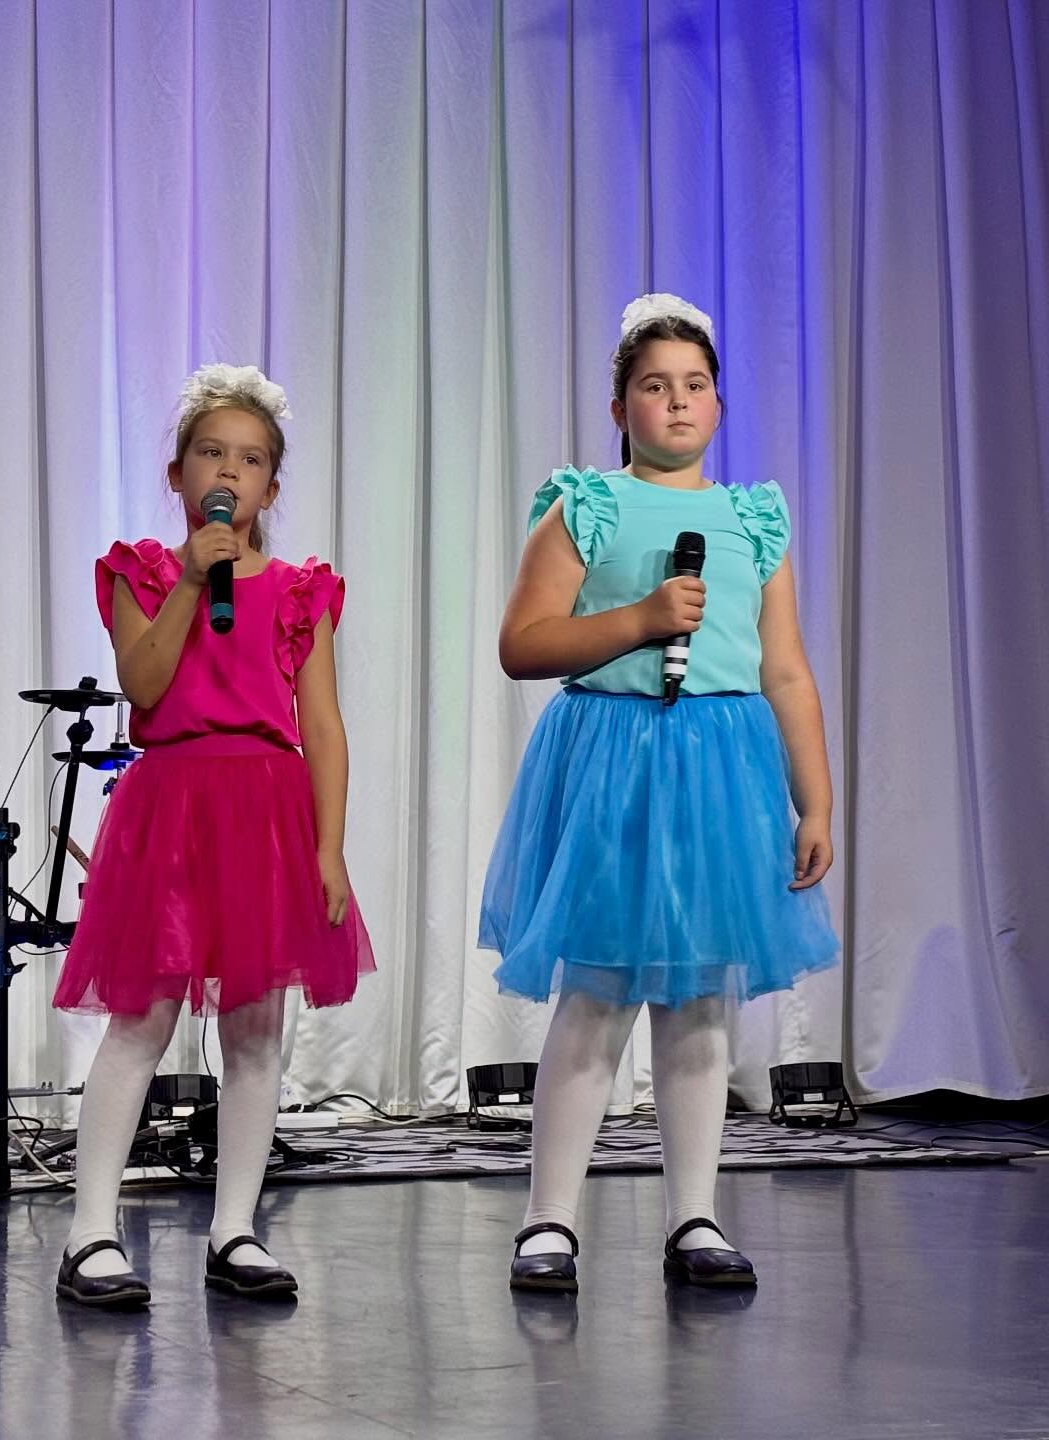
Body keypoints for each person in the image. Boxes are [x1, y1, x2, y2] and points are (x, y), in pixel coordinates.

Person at [480, 294, 839, 1291]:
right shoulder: (586, 505)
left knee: (698, 1003)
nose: (677, 401)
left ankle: (695, 1217)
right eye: (654, 386)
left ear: (718, 403)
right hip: (615, 760)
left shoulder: (751, 518)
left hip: (720, 771)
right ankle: (549, 1220)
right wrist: (640, 619)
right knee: (597, 995)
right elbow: (524, 643)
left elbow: (786, 670)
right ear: (620, 406)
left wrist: (814, 800)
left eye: (694, 385)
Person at [53, 363, 375, 1308]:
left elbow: (323, 725)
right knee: (142, 1018)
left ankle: (235, 1228)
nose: (229, 471)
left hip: (266, 812)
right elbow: (144, 684)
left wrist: (328, 846)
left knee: (256, 1028)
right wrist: (195, 580)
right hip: (172, 806)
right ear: (178, 474)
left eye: (251, 459)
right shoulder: (142, 573)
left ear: (270, 487)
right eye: (210, 453)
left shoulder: (303, 592)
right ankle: (90, 1232)